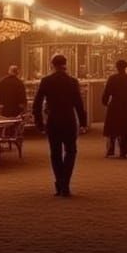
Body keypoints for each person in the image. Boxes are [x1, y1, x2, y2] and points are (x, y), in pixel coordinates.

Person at [32, 53, 87, 196]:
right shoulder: (73, 81)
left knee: (55, 153)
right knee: (71, 151)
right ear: (66, 64)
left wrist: (38, 121)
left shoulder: (46, 81)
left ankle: (59, 181)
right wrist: (83, 122)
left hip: (53, 120)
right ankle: (65, 183)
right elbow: (79, 104)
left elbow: (37, 103)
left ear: (52, 65)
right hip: (69, 119)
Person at [101, 59, 127, 158]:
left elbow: (107, 92)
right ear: (126, 67)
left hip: (114, 105)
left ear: (116, 67)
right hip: (125, 106)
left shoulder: (112, 78)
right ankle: (123, 151)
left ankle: (110, 150)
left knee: (112, 128)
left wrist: (104, 102)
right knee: (124, 130)